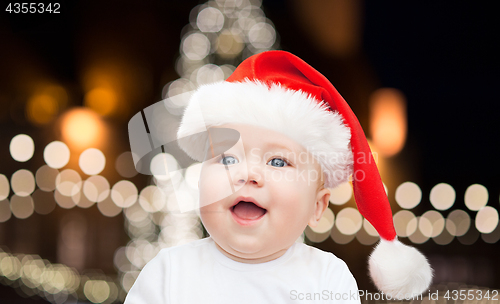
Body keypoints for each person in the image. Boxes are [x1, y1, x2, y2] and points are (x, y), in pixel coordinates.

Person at [124, 51, 432, 304]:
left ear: (318, 206)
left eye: (278, 161)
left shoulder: (325, 278)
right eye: (228, 158)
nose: (248, 174)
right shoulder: (169, 272)